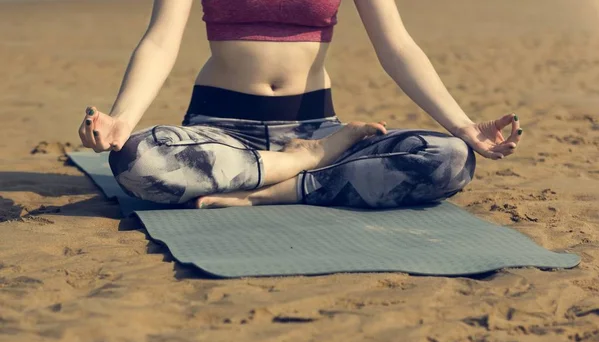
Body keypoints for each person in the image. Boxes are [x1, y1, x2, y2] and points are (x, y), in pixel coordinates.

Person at [78, 0, 523, 210]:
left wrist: (463, 125)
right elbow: (160, 42)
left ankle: (274, 189)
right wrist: (122, 119)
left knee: (451, 158)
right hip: (221, 131)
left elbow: (397, 47)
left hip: (315, 128)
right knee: (136, 160)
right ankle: (305, 168)